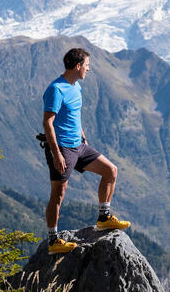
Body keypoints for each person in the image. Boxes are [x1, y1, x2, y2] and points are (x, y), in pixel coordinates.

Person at [41, 47, 130, 253]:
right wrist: (56, 153)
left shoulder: (76, 86)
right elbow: (48, 123)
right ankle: (53, 240)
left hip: (79, 145)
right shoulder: (56, 89)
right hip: (62, 148)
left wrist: (82, 134)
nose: (88, 70)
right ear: (78, 65)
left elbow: (73, 114)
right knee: (58, 193)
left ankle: (104, 217)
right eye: (87, 66)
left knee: (110, 171)